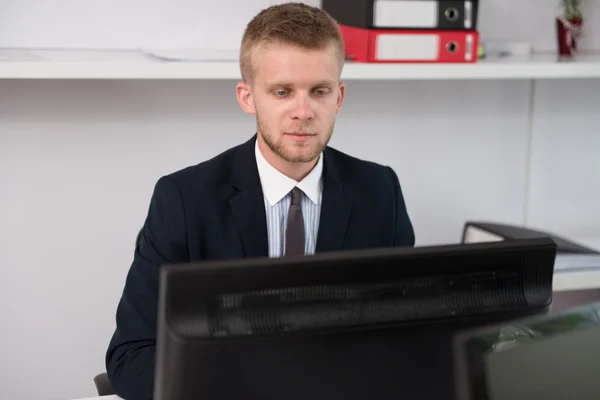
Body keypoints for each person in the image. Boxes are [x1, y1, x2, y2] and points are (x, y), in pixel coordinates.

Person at [105, 2, 415, 399]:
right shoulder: (183, 199)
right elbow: (132, 354)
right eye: (282, 92)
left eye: (318, 91)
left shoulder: (380, 191)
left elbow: (407, 338)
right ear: (247, 97)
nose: (303, 112)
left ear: (338, 96)